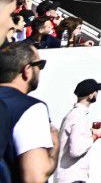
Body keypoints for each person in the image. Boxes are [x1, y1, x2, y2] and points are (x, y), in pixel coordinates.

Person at [0, 41, 58, 183]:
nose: (40, 70)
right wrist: (56, 143)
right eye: (40, 65)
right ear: (27, 70)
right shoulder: (30, 108)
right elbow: (35, 176)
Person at [55, 79, 101, 183]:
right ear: (91, 95)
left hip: (67, 176)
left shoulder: (74, 114)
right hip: (72, 177)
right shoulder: (79, 116)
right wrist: (95, 136)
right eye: (96, 91)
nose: (97, 93)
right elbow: (76, 150)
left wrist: (90, 132)